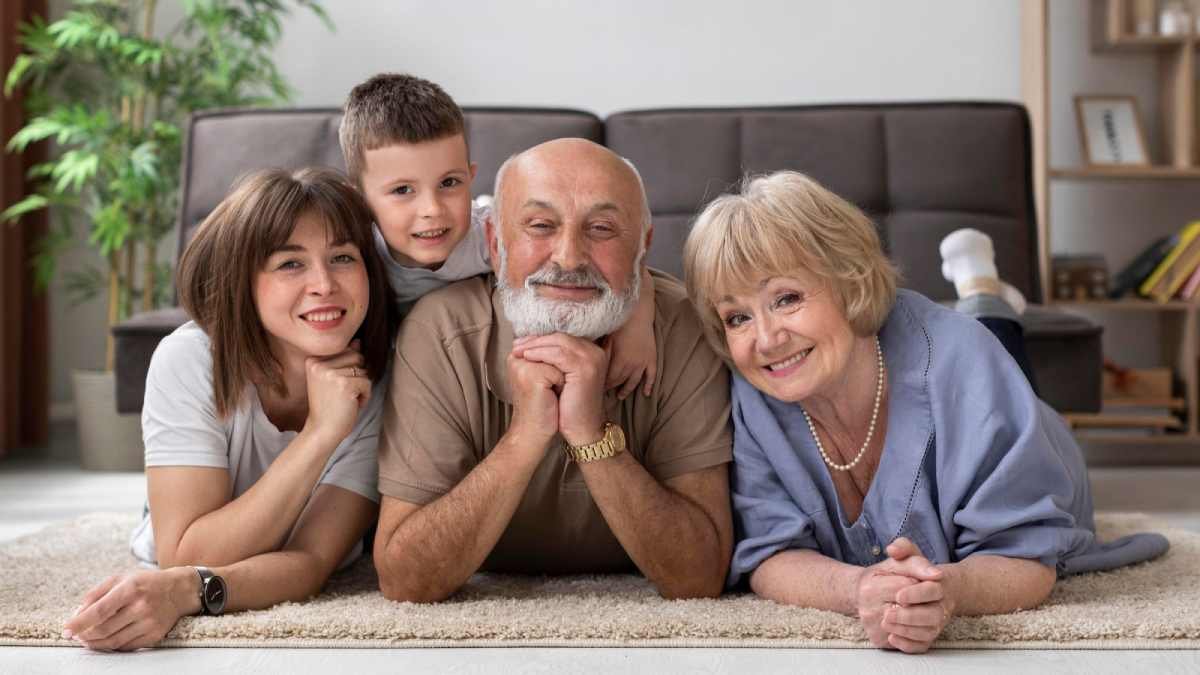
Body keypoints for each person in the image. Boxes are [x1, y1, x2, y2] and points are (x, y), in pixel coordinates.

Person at [681, 170, 1169, 654]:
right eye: (737, 317)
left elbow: (1024, 556)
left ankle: (984, 290)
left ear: (849, 281)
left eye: (786, 299)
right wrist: (860, 590)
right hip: (940, 360)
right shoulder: (753, 390)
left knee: (988, 347)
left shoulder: (965, 365)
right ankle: (984, 290)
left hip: (1025, 423)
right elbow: (770, 554)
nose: (765, 340)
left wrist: (946, 592)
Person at [372, 138, 734, 602]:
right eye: (540, 226)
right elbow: (405, 581)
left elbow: (698, 578)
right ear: (494, 245)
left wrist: (590, 434)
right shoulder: (439, 331)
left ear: (643, 248)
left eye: (602, 229)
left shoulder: (686, 327)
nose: (569, 257)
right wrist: (526, 435)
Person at [62, 168, 398, 651]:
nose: (324, 284)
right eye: (290, 264)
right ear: (243, 278)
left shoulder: (381, 379)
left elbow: (309, 563)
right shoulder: (189, 359)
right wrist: (320, 434)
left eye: (343, 258)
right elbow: (184, 552)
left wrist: (187, 592)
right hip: (187, 526)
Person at [339, 72, 657, 400]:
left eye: (449, 183)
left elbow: (626, 262)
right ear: (359, 198)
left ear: (471, 176)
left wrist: (637, 327)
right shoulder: (355, 257)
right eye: (402, 190)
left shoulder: (489, 233)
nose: (432, 209)